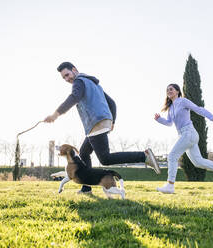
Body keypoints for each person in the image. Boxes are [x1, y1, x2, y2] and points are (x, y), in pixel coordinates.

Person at [44, 62, 160, 194]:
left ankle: (143, 156)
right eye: (63, 77)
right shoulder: (94, 84)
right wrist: (112, 121)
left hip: (95, 123)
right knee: (84, 153)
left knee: (105, 159)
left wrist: (56, 114)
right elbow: (112, 103)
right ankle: (86, 187)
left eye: (67, 74)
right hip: (101, 122)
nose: (67, 79)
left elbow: (74, 97)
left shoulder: (79, 82)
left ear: (74, 70)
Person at [154, 83, 213, 194]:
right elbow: (169, 123)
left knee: (172, 156)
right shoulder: (170, 108)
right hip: (184, 135)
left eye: (171, 89)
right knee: (198, 162)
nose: (169, 91)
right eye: (167, 90)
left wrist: (211, 117)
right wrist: (159, 119)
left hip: (189, 133)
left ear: (177, 91)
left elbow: (198, 109)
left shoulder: (183, 101)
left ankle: (170, 185)